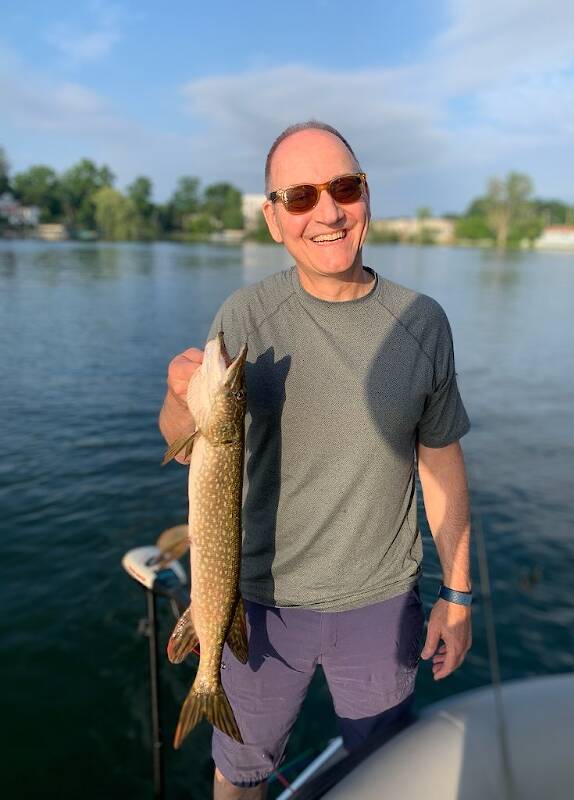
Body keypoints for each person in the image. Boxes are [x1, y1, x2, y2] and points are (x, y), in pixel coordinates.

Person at [159, 120, 472, 799]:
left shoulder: (424, 322)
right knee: (239, 776)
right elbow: (180, 439)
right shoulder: (246, 316)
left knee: (383, 773)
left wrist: (459, 592)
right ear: (274, 220)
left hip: (382, 605)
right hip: (261, 604)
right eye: (300, 197)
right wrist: (181, 394)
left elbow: (440, 461)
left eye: (344, 188)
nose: (327, 211)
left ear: (367, 197)